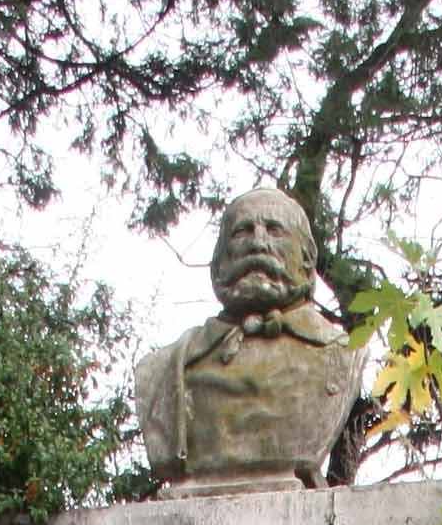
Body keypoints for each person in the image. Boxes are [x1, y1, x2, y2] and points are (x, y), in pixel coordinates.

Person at [133, 184, 363, 486]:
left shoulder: (343, 356)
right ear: (219, 262)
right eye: (242, 232)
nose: (258, 243)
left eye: (274, 230)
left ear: (307, 258)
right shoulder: (164, 369)